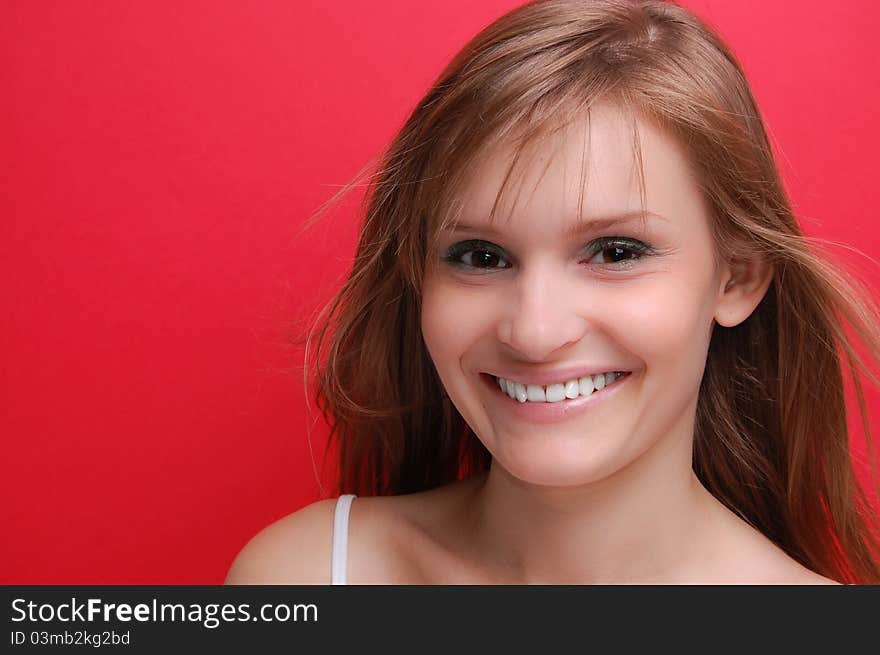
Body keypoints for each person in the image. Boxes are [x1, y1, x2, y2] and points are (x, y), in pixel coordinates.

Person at [225, 0, 880, 585]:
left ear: (738, 276)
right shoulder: (303, 580)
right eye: (481, 256)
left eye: (616, 252)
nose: (534, 331)